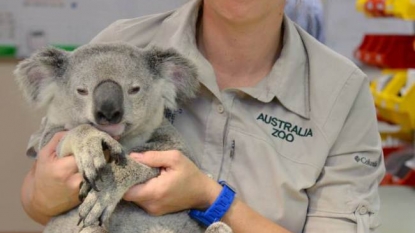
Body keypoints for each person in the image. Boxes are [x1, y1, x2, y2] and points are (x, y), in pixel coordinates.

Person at [20, 0, 385, 232]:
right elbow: (37, 201)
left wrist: (212, 200)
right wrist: (54, 187)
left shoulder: (342, 91)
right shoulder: (119, 47)